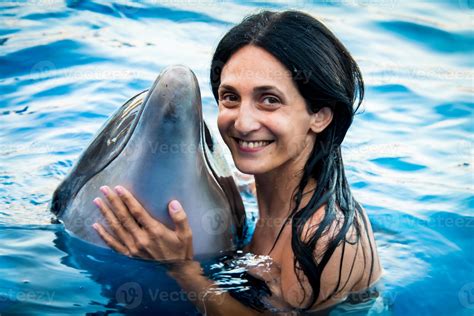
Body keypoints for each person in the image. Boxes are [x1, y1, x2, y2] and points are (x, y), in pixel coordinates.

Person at [91, 10, 382, 314]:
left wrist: (182, 268)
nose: (243, 123)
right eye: (230, 97)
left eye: (269, 100)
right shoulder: (268, 189)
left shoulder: (324, 239)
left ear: (319, 115)